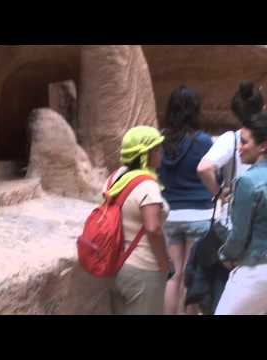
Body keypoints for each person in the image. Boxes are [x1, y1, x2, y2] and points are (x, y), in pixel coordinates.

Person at [157, 85, 214, 315]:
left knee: (174, 275)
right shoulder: (204, 142)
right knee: (192, 277)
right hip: (199, 215)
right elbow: (212, 173)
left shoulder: (158, 140)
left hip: (169, 214)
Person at [103, 126, 171, 315]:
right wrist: (164, 263)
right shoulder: (147, 186)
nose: (161, 153)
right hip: (144, 269)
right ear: (146, 154)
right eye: (157, 149)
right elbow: (153, 228)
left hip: (116, 265)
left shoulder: (115, 178)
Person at [214, 113, 267, 315]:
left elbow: (239, 235)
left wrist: (225, 255)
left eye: (244, 142)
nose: (239, 148)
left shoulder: (247, 182)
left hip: (255, 268)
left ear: (263, 146)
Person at [197, 81, 264, 225]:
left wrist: (219, 193)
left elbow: (204, 168)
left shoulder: (231, 139)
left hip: (236, 216)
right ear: (262, 108)